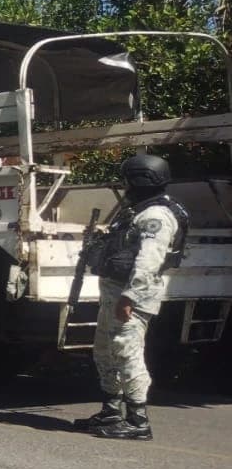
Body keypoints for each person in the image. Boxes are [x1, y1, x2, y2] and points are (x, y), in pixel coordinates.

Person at [74, 153, 190, 441]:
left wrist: (129, 297)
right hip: (115, 294)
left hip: (130, 297)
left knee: (127, 353)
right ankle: (111, 410)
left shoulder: (155, 216)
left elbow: (149, 261)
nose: (125, 186)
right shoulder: (138, 210)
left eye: (127, 180)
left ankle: (138, 420)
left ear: (140, 181)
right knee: (105, 351)